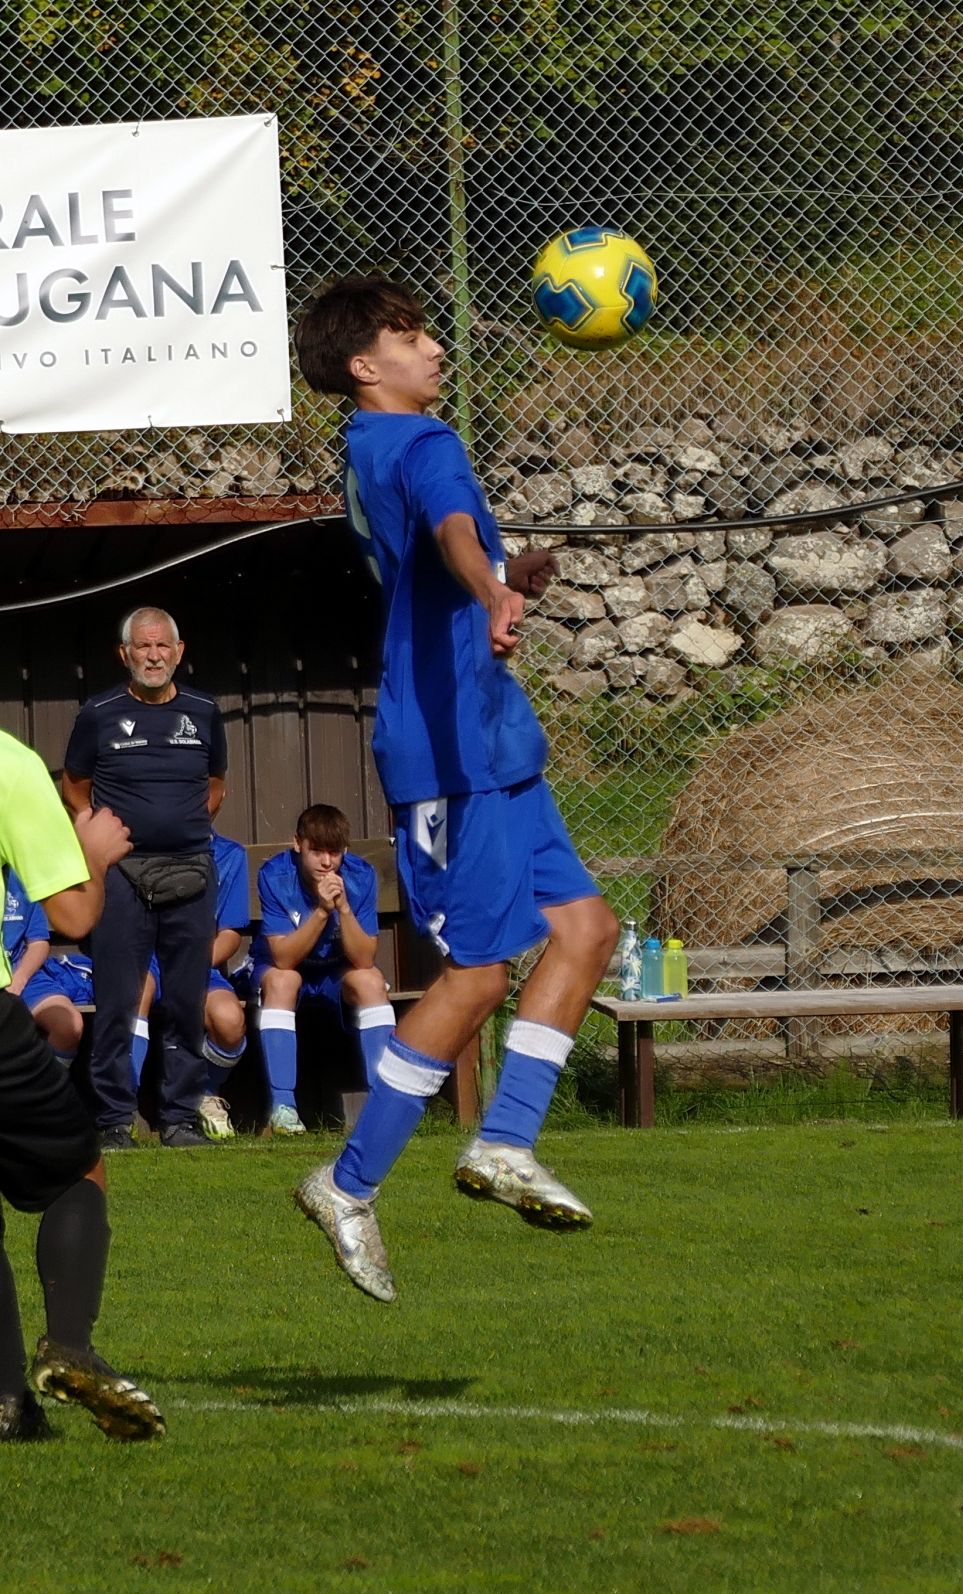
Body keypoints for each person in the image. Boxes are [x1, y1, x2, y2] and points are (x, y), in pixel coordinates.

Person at [291, 275, 619, 1303]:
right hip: (450, 756)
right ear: (364, 365)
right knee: (475, 977)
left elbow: (450, 548)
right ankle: (347, 1183)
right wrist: (490, 587)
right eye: (409, 334)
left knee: (586, 928)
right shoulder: (424, 441)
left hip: (493, 741)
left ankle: (506, 1142)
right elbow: (450, 535)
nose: (434, 347)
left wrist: (507, 575)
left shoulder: (370, 443)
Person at [0, 727, 164, 1441]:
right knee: (79, 1169)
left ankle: (7, 1406)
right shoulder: (9, 763)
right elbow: (72, 914)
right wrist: (91, 854)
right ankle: (68, 1344)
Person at [62, 606, 228, 1151]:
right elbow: (75, 787)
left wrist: (182, 827)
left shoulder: (205, 711)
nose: (153, 656)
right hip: (121, 877)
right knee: (117, 999)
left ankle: (180, 1118)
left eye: (162, 646)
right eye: (143, 646)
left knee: (186, 999)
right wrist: (98, 836)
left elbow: (215, 786)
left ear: (179, 652)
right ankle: (114, 1120)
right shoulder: (98, 713)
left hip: (191, 873)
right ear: (124, 654)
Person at [246, 804, 394, 1135]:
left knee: (371, 981)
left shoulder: (360, 876)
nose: (327, 862)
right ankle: (284, 1108)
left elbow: (364, 958)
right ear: (297, 844)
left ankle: (384, 1107)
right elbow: (283, 958)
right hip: (284, 966)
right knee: (283, 980)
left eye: (335, 852)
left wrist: (344, 908)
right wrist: (323, 912)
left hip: (335, 969)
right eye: (317, 851)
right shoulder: (275, 875)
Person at [131, 830, 250, 1141]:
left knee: (230, 1020)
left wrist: (188, 966)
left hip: (198, 962)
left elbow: (230, 935)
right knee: (135, 995)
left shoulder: (230, 855)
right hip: (145, 960)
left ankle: (201, 1093)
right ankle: (122, 1108)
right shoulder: (137, 843)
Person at [3, 868, 94, 1068]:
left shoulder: (20, 877)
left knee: (69, 1025)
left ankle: (45, 1084)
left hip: (21, 973)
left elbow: (38, 942)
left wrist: (19, 979)